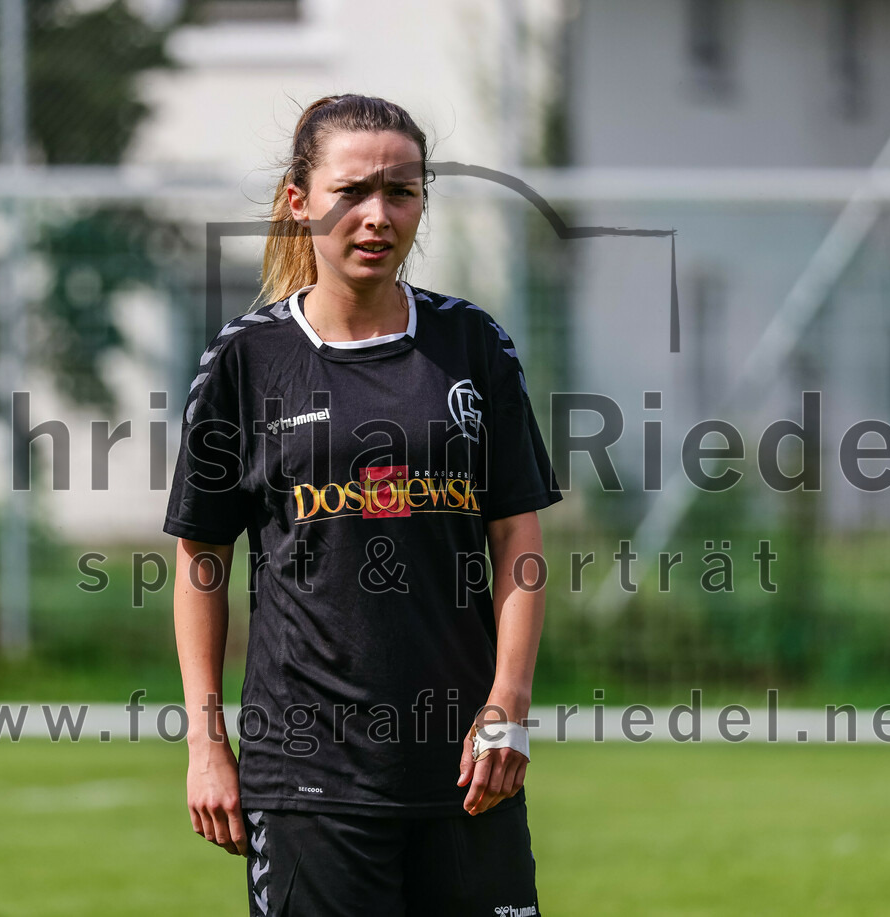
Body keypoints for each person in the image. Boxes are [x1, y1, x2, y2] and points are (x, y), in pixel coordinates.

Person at [163, 93, 562, 916]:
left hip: (466, 766)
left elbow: (517, 536)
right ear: (300, 201)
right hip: (307, 777)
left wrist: (508, 705)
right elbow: (201, 561)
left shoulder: (472, 345)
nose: (378, 215)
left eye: (402, 191)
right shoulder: (247, 361)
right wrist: (206, 742)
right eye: (352, 192)